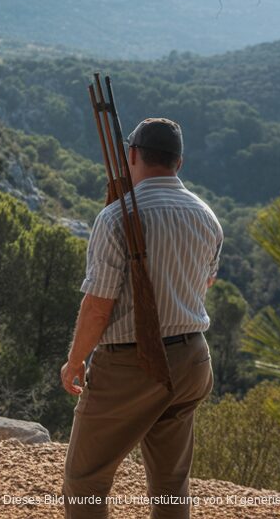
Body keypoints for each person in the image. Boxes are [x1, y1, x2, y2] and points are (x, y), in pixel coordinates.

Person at [59, 118, 223, 519]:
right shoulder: (207, 216)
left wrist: (76, 360)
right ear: (178, 163)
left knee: (86, 480)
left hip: (129, 365)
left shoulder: (115, 217)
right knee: (170, 485)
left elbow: (98, 305)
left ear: (131, 155)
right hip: (192, 361)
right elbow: (204, 286)